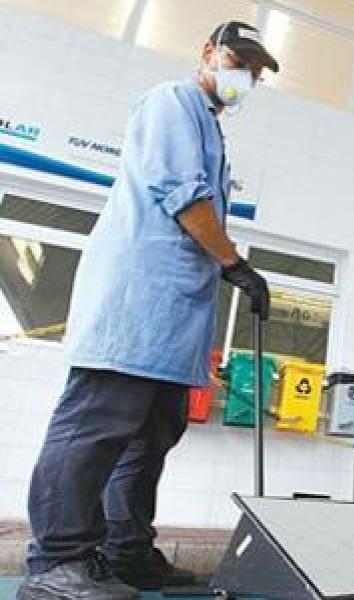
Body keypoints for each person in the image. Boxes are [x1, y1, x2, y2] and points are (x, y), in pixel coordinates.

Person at [17, 21, 278, 600]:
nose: (246, 77)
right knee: (96, 427)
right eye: (240, 62)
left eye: (256, 72)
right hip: (137, 304)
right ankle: (56, 562)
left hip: (174, 321)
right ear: (208, 53)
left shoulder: (209, 126)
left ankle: (126, 553)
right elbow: (182, 194)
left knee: (150, 437)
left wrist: (227, 268)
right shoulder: (173, 102)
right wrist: (235, 264)